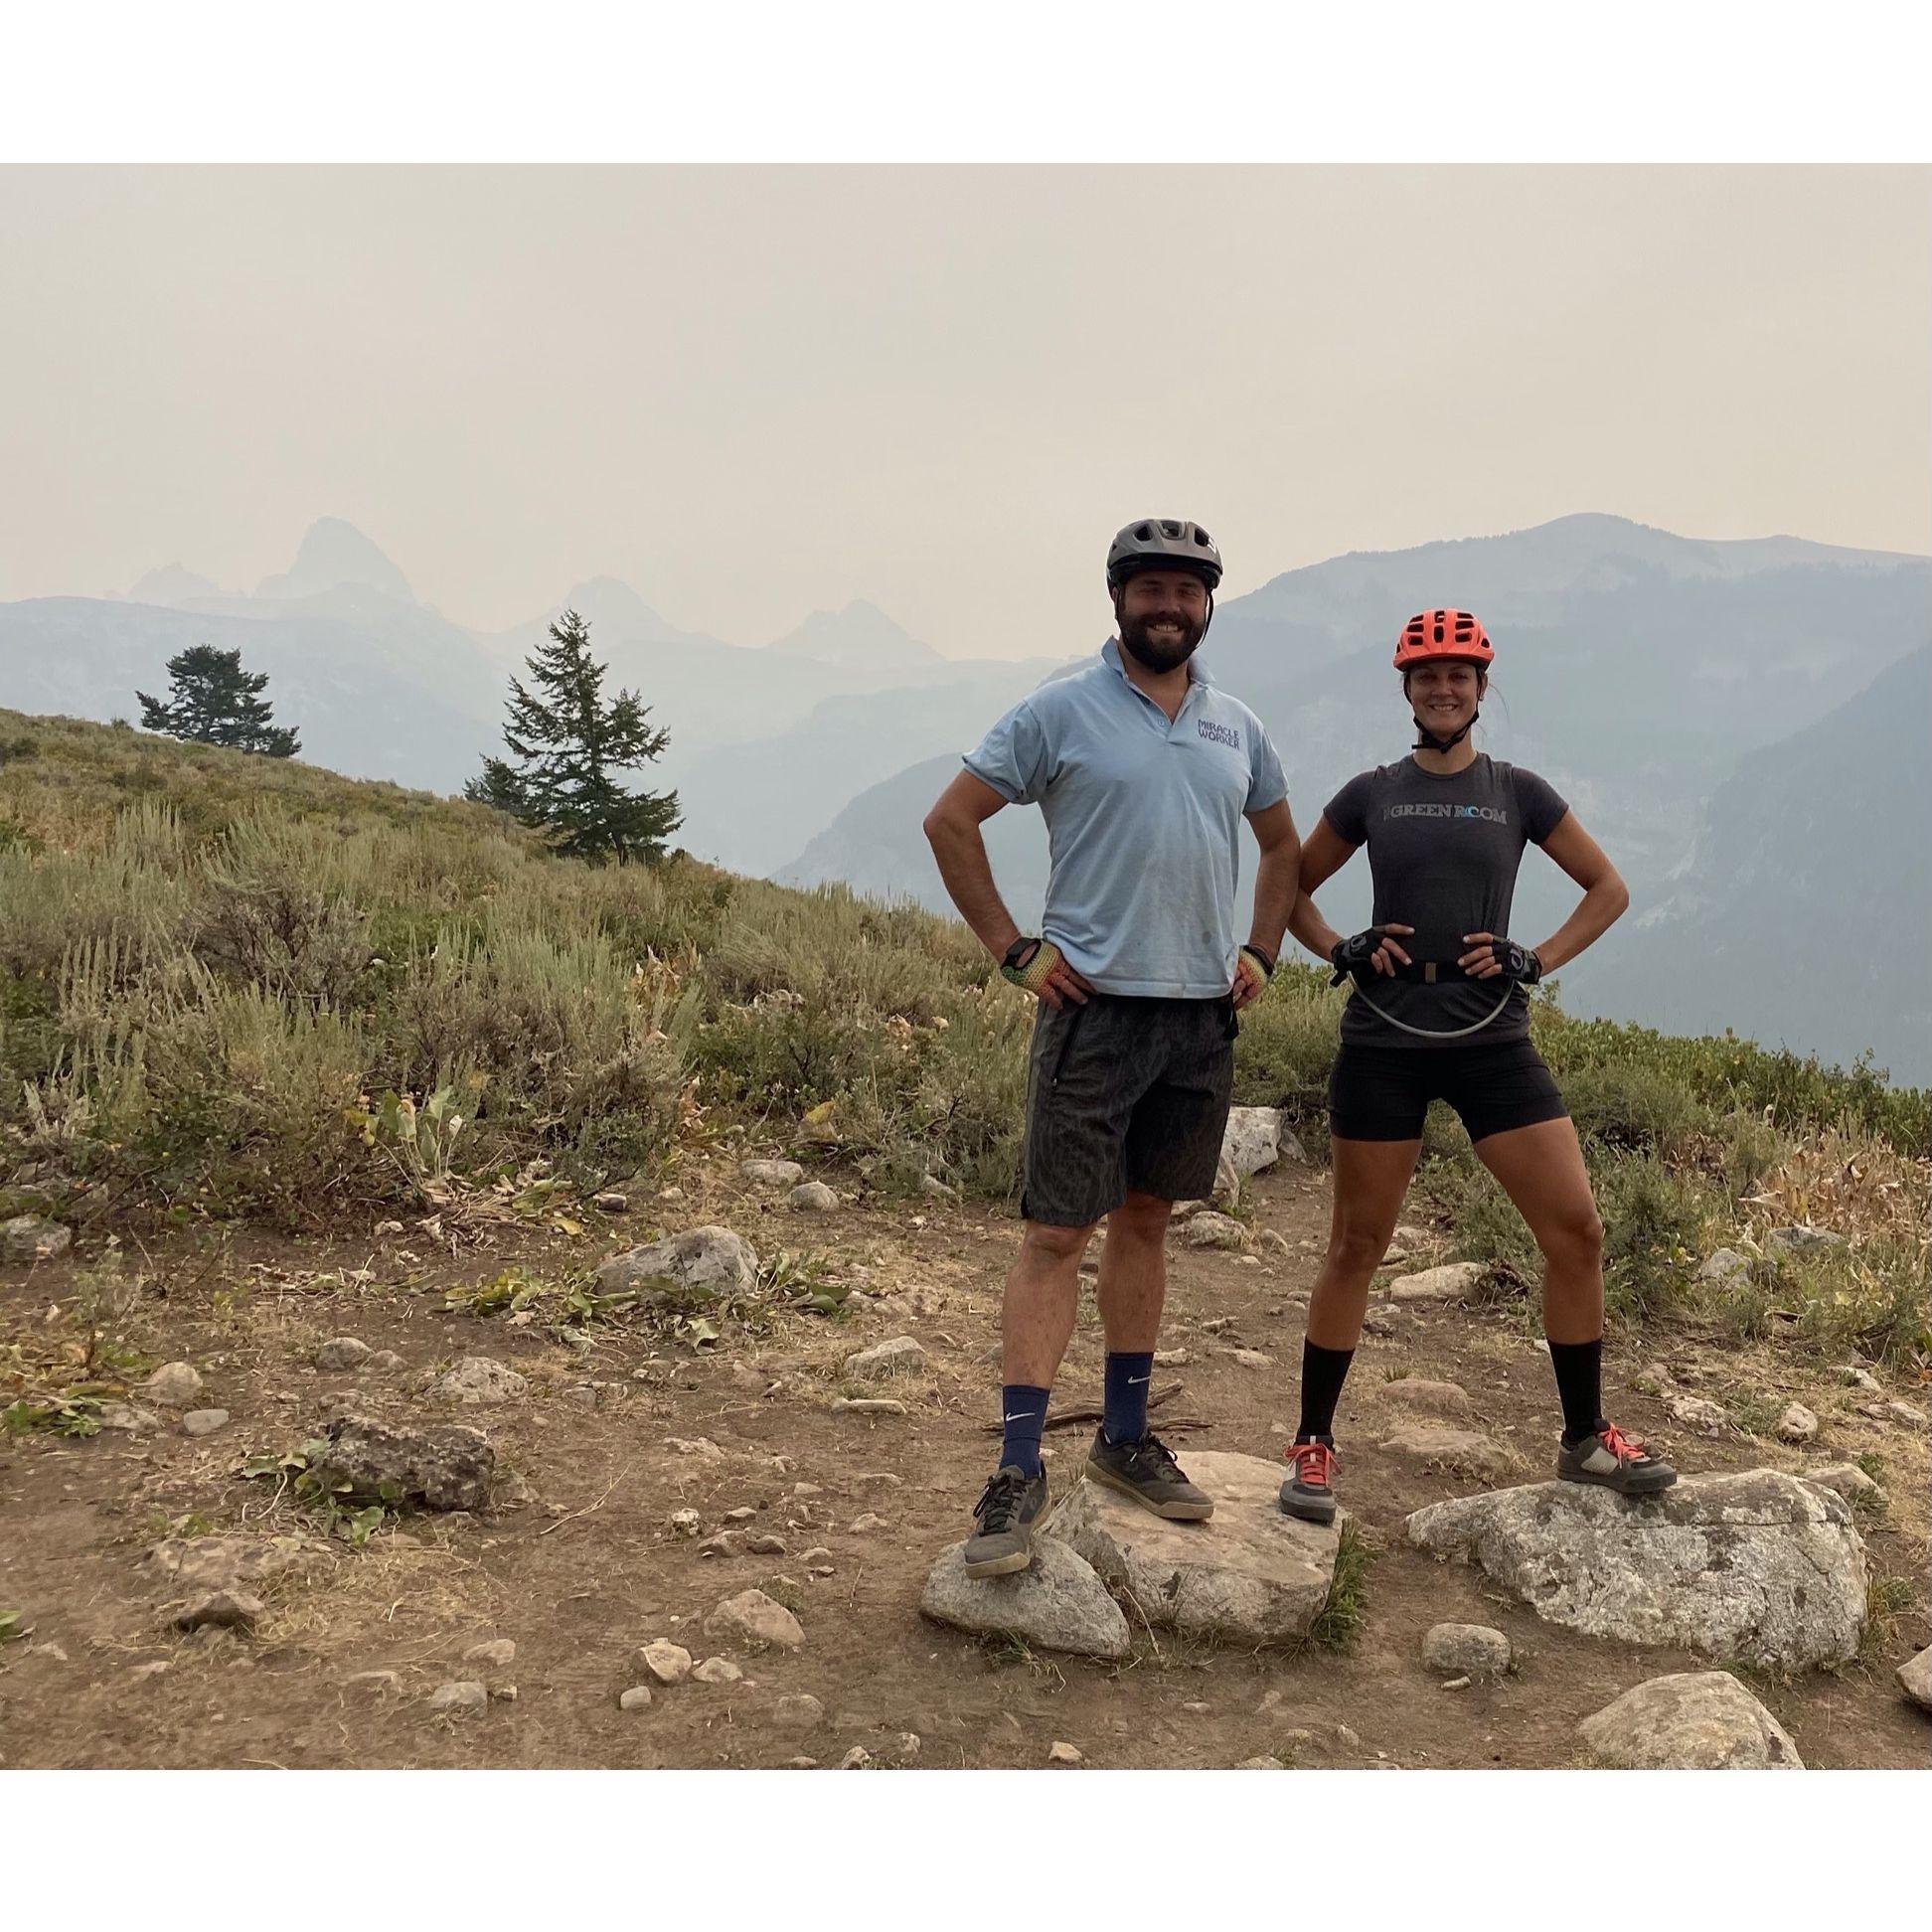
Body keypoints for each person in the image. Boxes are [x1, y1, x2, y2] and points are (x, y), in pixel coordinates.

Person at [922, 519, 1299, 1577]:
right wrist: (1013, 950)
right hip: (1092, 1014)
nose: (1168, 607)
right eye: (1150, 590)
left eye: (1187, 590)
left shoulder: (1236, 725)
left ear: (1208, 604)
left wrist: (1262, 949)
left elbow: (1281, 843)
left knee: (1146, 1222)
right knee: (1056, 1234)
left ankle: (1124, 1438)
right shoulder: (1060, 708)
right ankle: (1016, 1469)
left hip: (1199, 1018)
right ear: (1118, 598)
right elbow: (951, 821)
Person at [1278, 607, 1676, 1525]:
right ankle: (1312, 1443)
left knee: (1576, 1232)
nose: (1443, 688)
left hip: (1493, 1038)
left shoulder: (1518, 792)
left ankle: (1584, 1437)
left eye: (1459, 675)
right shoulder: (1371, 793)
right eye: (1427, 676)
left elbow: (1608, 889)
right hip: (1384, 1038)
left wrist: (1537, 956)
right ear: (1407, 691)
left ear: (1481, 688)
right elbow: (1288, 884)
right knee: (1356, 1247)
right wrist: (1340, 946)